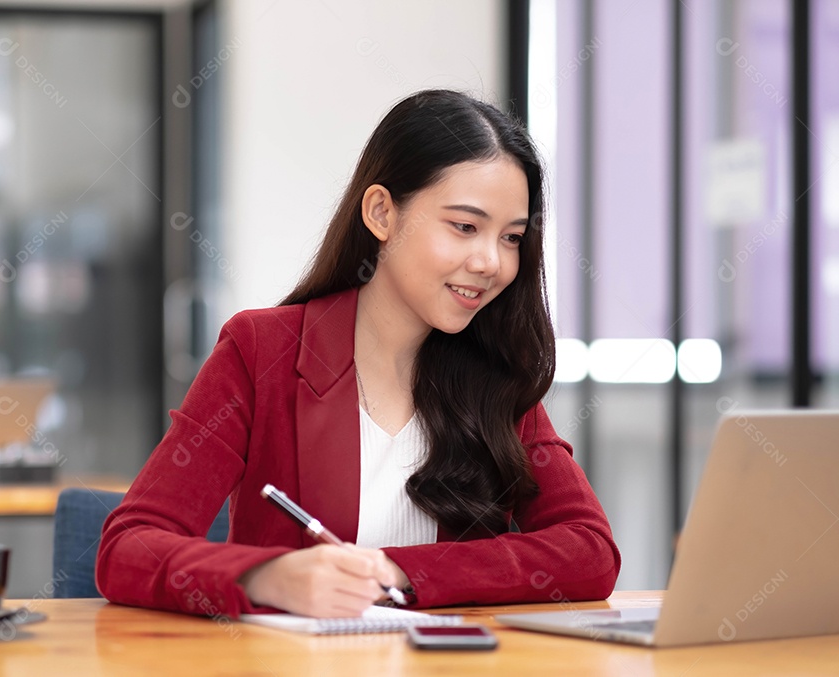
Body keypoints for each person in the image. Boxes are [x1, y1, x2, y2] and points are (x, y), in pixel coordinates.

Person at [96, 89, 620, 619]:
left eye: (511, 238)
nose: (491, 262)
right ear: (381, 213)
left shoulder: (496, 374)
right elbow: (129, 547)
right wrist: (266, 576)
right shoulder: (262, 352)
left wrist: (397, 571)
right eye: (465, 227)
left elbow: (589, 551)